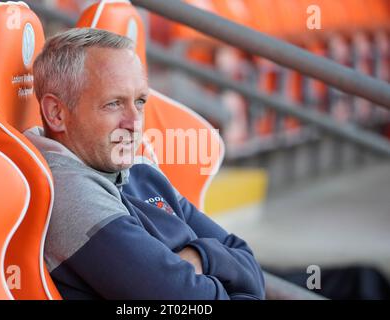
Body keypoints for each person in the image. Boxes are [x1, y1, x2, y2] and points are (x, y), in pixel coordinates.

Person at [25, 27, 265, 300]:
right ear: (56, 113)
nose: (135, 123)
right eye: (114, 104)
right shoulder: (69, 192)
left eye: (139, 101)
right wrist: (223, 269)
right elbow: (186, 300)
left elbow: (250, 264)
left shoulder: (139, 169)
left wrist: (201, 257)